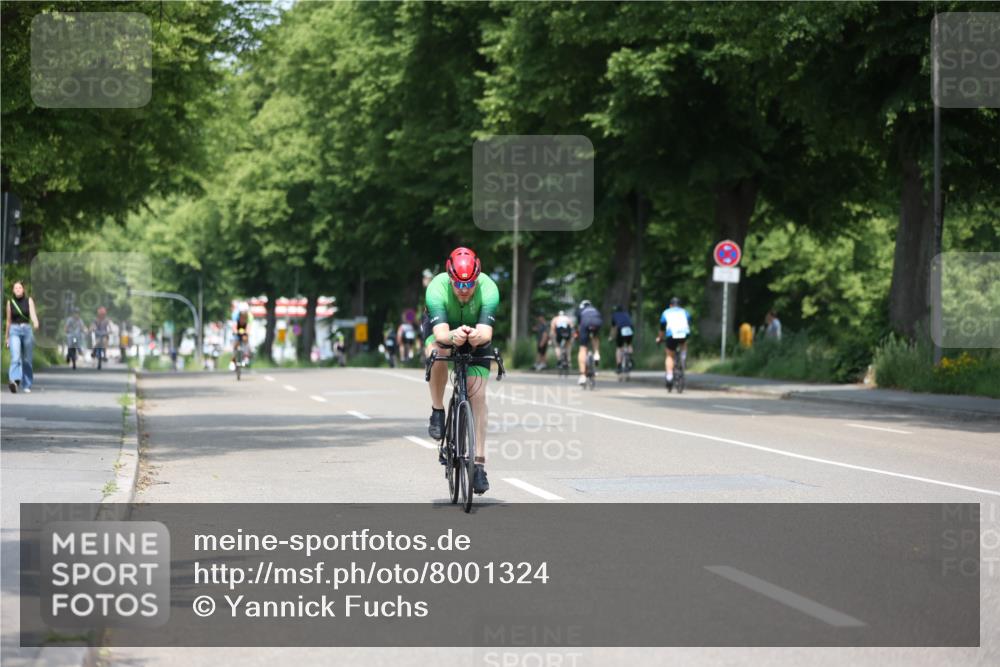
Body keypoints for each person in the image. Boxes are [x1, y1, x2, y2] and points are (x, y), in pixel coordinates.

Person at [425, 246, 499, 495]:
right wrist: (453, 336)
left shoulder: (489, 289)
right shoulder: (436, 288)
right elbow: (440, 334)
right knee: (439, 353)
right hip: (445, 332)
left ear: (477, 279)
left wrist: (476, 336)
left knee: (477, 396)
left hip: (474, 336)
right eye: (459, 285)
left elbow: (487, 334)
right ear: (450, 278)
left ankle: (478, 464)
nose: (464, 291)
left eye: (470, 286)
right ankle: (437, 409)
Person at [6, 281, 39, 393]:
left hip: (27, 330)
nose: (18, 289)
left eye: (20, 287)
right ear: (13, 290)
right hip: (14, 330)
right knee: (15, 357)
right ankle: (14, 381)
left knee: (27, 360)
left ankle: (27, 384)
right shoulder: (10, 302)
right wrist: (7, 338)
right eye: (16, 288)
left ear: (23, 289)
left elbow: (33, 314)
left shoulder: (28, 300)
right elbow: (8, 321)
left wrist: (35, 322)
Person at [656, 297, 691, 391]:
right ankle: (683, 359)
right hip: (684, 333)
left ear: (670, 305)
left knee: (669, 355)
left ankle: (669, 377)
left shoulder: (666, 312)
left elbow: (662, 328)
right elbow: (688, 323)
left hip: (671, 334)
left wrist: (660, 338)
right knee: (684, 343)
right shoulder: (685, 312)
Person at [574, 299, 603, 385]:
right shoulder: (595, 309)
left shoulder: (580, 310)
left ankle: (582, 375)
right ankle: (597, 354)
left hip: (585, 323)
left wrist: (578, 334)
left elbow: (579, 325)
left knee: (583, 348)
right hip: (596, 322)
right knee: (595, 337)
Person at [609, 304, 635, 375]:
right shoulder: (626, 314)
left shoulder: (614, 315)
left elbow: (613, 328)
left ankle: (619, 366)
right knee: (629, 344)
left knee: (619, 348)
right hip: (630, 328)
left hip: (621, 329)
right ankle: (630, 359)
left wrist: (611, 337)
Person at [230, 302, 253, 368]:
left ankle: (246, 356)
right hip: (237, 327)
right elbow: (234, 326)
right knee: (235, 343)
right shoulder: (235, 315)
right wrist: (235, 332)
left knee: (246, 339)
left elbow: (249, 326)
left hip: (245, 328)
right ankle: (233, 360)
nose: (243, 314)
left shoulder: (250, 316)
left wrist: (247, 333)